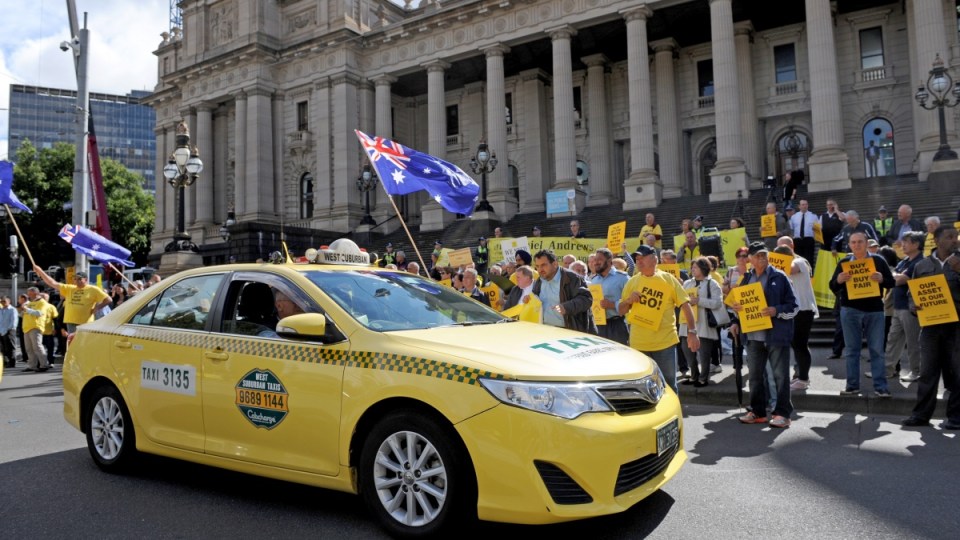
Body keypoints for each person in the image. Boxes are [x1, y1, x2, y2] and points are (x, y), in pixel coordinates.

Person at [729, 242, 799, 428]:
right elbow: (739, 307)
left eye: (764, 254)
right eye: (757, 255)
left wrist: (776, 310)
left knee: (781, 376)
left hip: (776, 336)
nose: (761, 258)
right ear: (749, 259)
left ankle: (783, 414)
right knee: (755, 377)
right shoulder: (745, 279)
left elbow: (794, 306)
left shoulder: (780, 277)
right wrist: (735, 320)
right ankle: (758, 412)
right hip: (752, 337)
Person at [902, 225, 960, 429]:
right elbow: (912, 293)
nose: (955, 240)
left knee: (957, 373)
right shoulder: (922, 265)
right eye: (950, 237)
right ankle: (921, 416)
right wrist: (913, 306)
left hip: (956, 327)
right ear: (936, 241)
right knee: (927, 373)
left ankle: (956, 418)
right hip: (931, 327)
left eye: (956, 237)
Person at [619, 245, 699, 391]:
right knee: (642, 388)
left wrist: (692, 332)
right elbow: (620, 310)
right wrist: (628, 301)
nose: (639, 262)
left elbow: (685, 306)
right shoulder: (632, 282)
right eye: (637, 259)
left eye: (642, 258)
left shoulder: (668, 279)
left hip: (665, 343)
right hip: (639, 344)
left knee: (668, 386)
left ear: (655, 259)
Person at [829, 232, 896, 397]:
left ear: (867, 243)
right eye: (853, 242)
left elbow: (892, 282)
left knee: (877, 350)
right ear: (849, 245)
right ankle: (852, 386)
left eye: (860, 242)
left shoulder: (878, 261)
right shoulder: (844, 262)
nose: (857, 245)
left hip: (874, 310)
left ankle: (881, 387)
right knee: (852, 350)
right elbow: (832, 286)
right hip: (850, 310)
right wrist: (838, 280)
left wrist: (882, 279)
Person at [774, 239, 818, 390]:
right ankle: (800, 376)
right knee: (796, 344)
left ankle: (804, 379)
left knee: (800, 345)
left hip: (804, 309)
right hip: (794, 310)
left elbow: (789, 268)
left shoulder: (800, 262)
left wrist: (775, 262)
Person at [884, 231, 924, 383]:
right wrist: (895, 276)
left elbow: (900, 280)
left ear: (916, 244)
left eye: (906, 242)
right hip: (898, 307)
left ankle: (916, 372)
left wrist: (895, 276)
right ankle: (888, 370)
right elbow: (895, 275)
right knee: (893, 340)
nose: (902, 245)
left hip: (910, 308)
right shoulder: (905, 260)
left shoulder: (919, 261)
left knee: (913, 342)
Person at [679, 257, 723, 387]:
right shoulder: (687, 283)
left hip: (704, 324)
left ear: (703, 268)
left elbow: (717, 303)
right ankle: (694, 376)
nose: (692, 269)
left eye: (695, 267)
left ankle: (703, 378)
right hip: (687, 323)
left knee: (704, 353)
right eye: (692, 267)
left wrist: (699, 301)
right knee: (686, 349)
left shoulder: (713, 284)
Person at [531, 249, 596, 334]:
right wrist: (529, 299)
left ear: (555, 264)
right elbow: (536, 301)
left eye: (543, 265)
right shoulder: (540, 280)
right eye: (537, 266)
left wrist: (566, 307)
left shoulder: (572, 278)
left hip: (569, 332)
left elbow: (586, 299)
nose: (539, 269)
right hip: (545, 331)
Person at [33, 266, 111, 333]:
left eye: (79, 279)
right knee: (72, 343)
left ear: (86, 280)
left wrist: (97, 308)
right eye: (75, 279)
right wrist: (40, 270)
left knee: (83, 344)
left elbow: (108, 299)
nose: (76, 281)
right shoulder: (70, 288)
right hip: (71, 321)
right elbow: (52, 283)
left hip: (85, 323)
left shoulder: (94, 289)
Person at [591, 248, 630, 345]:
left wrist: (612, 305)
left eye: (599, 259)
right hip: (599, 325)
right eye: (595, 260)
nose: (596, 262)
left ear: (609, 261)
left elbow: (631, 302)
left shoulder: (623, 278)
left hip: (617, 326)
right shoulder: (594, 280)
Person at [19, 287, 52, 372]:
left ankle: (44, 365)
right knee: (29, 348)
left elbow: (39, 313)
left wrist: (26, 309)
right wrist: (21, 311)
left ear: (35, 293)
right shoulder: (30, 303)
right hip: (27, 327)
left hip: (36, 327)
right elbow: (24, 314)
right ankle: (32, 365)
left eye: (30, 293)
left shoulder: (42, 302)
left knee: (37, 347)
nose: (28, 295)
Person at [790, 199, 817, 266]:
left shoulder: (813, 216)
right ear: (799, 206)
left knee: (809, 259)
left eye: (806, 204)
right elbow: (791, 229)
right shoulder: (794, 217)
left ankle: (810, 274)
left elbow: (818, 229)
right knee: (798, 259)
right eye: (803, 204)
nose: (805, 206)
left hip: (809, 240)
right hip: (797, 240)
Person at [39, 292, 59, 368]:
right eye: (42, 297)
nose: (43, 298)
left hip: (48, 331)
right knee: (39, 349)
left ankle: (50, 362)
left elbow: (55, 319)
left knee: (50, 348)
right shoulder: (36, 306)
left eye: (45, 297)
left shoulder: (51, 307)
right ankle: (40, 362)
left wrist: (55, 328)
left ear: (48, 299)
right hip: (38, 331)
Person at [0, 296, 19, 368]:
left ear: (9, 301)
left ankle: (12, 362)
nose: (3, 303)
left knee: (10, 347)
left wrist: (8, 329)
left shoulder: (12, 309)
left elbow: (13, 321)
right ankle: (5, 362)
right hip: (1, 330)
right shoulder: (1, 310)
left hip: (9, 330)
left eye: (4, 301)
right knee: (3, 348)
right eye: (1, 301)